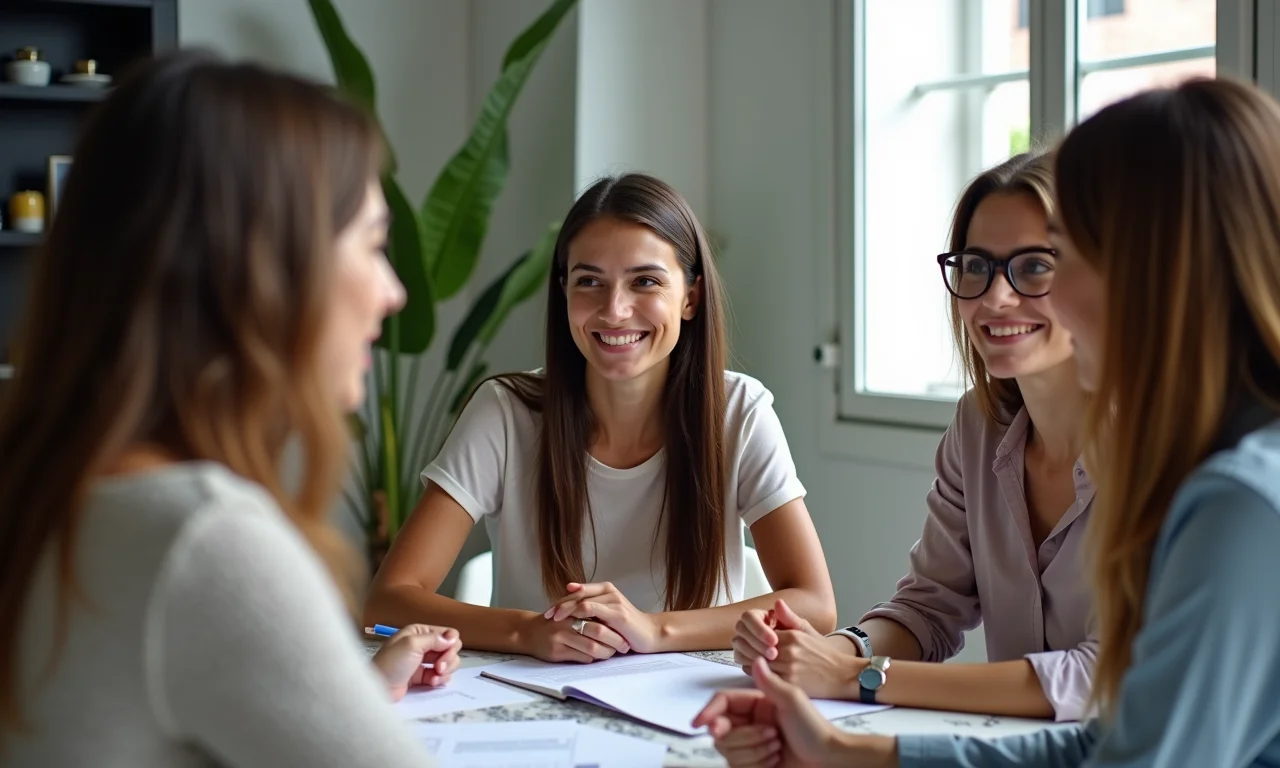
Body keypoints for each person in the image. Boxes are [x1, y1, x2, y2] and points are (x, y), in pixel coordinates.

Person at [697, 76, 1280, 766]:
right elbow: (1111, 743)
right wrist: (839, 748)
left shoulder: (1239, 499)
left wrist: (856, 681)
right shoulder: (998, 428)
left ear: (1165, 270)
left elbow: (1115, 714)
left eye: (1063, 258)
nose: (1030, 295)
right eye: (979, 267)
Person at [0, 50, 458, 766]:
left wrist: (356, 693)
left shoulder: (50, 490)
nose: (393, 292)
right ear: (266, 270)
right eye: (373, 244)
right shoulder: (200, 538)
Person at [364, 173, 837, 662]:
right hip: (537, 704)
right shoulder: (504, 411)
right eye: (589, 282)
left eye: (645, 281)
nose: (614, 311)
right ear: (564, 292)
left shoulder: (739, 411)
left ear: (691, 298)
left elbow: (815, 604)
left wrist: (653, 630)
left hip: (693, 705)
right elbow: (388, 598)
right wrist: (527, 632)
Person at [729, 152, 1096, 722]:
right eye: (976, 266)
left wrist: (859, 679)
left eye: (1034, 266)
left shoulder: (1166, 448)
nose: (995, 298)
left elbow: (1102, 676)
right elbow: (930, 606)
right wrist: (830, 650)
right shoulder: (978, 426)